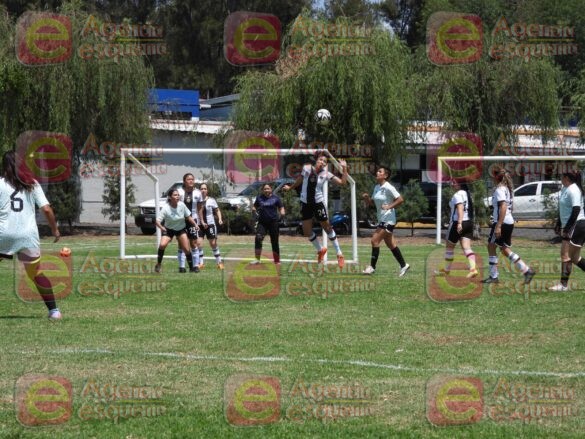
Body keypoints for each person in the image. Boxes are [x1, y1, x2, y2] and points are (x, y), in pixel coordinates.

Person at [0, 151, 62, 319]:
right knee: (36, 273)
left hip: (4, 234)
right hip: (27, 237)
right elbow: (46, 209)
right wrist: (55, 229)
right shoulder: (32, 184)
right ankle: (54, 311)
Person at [283, 152, 348, 267]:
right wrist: (290, 188)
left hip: (318, 203)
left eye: (325, 162)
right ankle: (320, 250)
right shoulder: (307, 168)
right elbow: (300, 179)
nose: (322, 162)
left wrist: (344, 168)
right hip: (305, 203)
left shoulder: (326, 174)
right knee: (307, 232)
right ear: (316, 160)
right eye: (321, 160)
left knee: (327, 228)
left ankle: (339, 253)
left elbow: (342, 183)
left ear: (326, 165)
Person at [482, 168, 535, 284]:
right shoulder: (508, 189)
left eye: (492, 175)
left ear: (496, 177)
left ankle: (493, 276)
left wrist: (498, 225)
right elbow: (509, 206)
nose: (491, 178)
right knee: (504, 249)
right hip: (508, 221)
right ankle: (526, 270)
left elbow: (503, 207)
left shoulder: (500, 189)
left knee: (491, 246)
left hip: (502, 222)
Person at [361, 167, 410, 276]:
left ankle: (372, 267)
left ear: (385, 175)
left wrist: (389, 206)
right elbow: (372, 203)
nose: (377, 173)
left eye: (380, 171)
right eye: (377, 171)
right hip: (381, 219)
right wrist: (367, 198)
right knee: (391, 245)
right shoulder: (377, 187)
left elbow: (400, 199)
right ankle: (404, 265)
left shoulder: (389, 187)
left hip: (388, 219)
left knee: (374, 240)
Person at [549, 171, 585, 291]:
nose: (560, 179)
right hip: (572, 226)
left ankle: (563, 285)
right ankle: (563, 285)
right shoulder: (565, 189)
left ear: (566, 178)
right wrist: (559, 223)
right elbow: (563, 208)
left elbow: (576, 210)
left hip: (577, 225)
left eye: (561, 177)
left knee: (565, 255)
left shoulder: (573, 190)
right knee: (575, 258)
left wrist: (568, 228)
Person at [435, 180, 478, 278]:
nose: (452, 184)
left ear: (460, 184)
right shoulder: (467, 194)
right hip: (468, 222)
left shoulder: (458, 194)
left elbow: (460, 208)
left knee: (449, 247)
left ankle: (446, 270)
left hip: (458, 222)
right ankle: (473, 269)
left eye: (454, 182)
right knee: (466, 247)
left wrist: (459, 223)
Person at [154, 188, 198, 273]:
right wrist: (162, 228)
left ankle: (192, 268)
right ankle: (158, 264)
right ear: (170, 197)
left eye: (178, 195)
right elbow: (157, 221)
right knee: (162, 245)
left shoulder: (182, 205)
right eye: (175, 195)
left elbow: (188, 217)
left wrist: (195, 224)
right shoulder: (166, 208)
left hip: (180, 229)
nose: (177, 196)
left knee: (186, 249)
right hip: (169, 229)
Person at [251, 183, 285, 264]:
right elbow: (254, 206)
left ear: (271, 189)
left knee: (274, 241)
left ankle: (277, 260)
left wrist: (282, 212)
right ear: (262, 190)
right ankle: (257, 259)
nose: (266, 190)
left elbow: (281, 207)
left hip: (273, 222)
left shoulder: (276, 198)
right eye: (265, 189)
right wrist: (254, 211)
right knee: (258, 238)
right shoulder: (259, 198)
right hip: (262, 223)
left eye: (268, 188)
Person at [177, 173, 202, 273]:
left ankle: (195, 266)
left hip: (193, 220)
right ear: (184, 181)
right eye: (188, 179)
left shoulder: (198, 193)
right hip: (180, 221)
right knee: (181, 243)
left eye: (192, 179)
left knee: (193, 243)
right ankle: (182, 267)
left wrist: (201, 220)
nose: (191, 181)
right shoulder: (179, 192)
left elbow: (200, 208)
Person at [197, 183, 224, 270]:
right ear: (199, 190)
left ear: (207, 190)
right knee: (199, 243)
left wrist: (220, 219)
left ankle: (219, 262)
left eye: (205, 189)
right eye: (201, 189)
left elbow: (217, 210)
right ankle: (201, 263)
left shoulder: (211, 200)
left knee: (213, 243)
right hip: (199, 225)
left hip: (210, 224)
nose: (203, 190)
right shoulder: (196, 200)